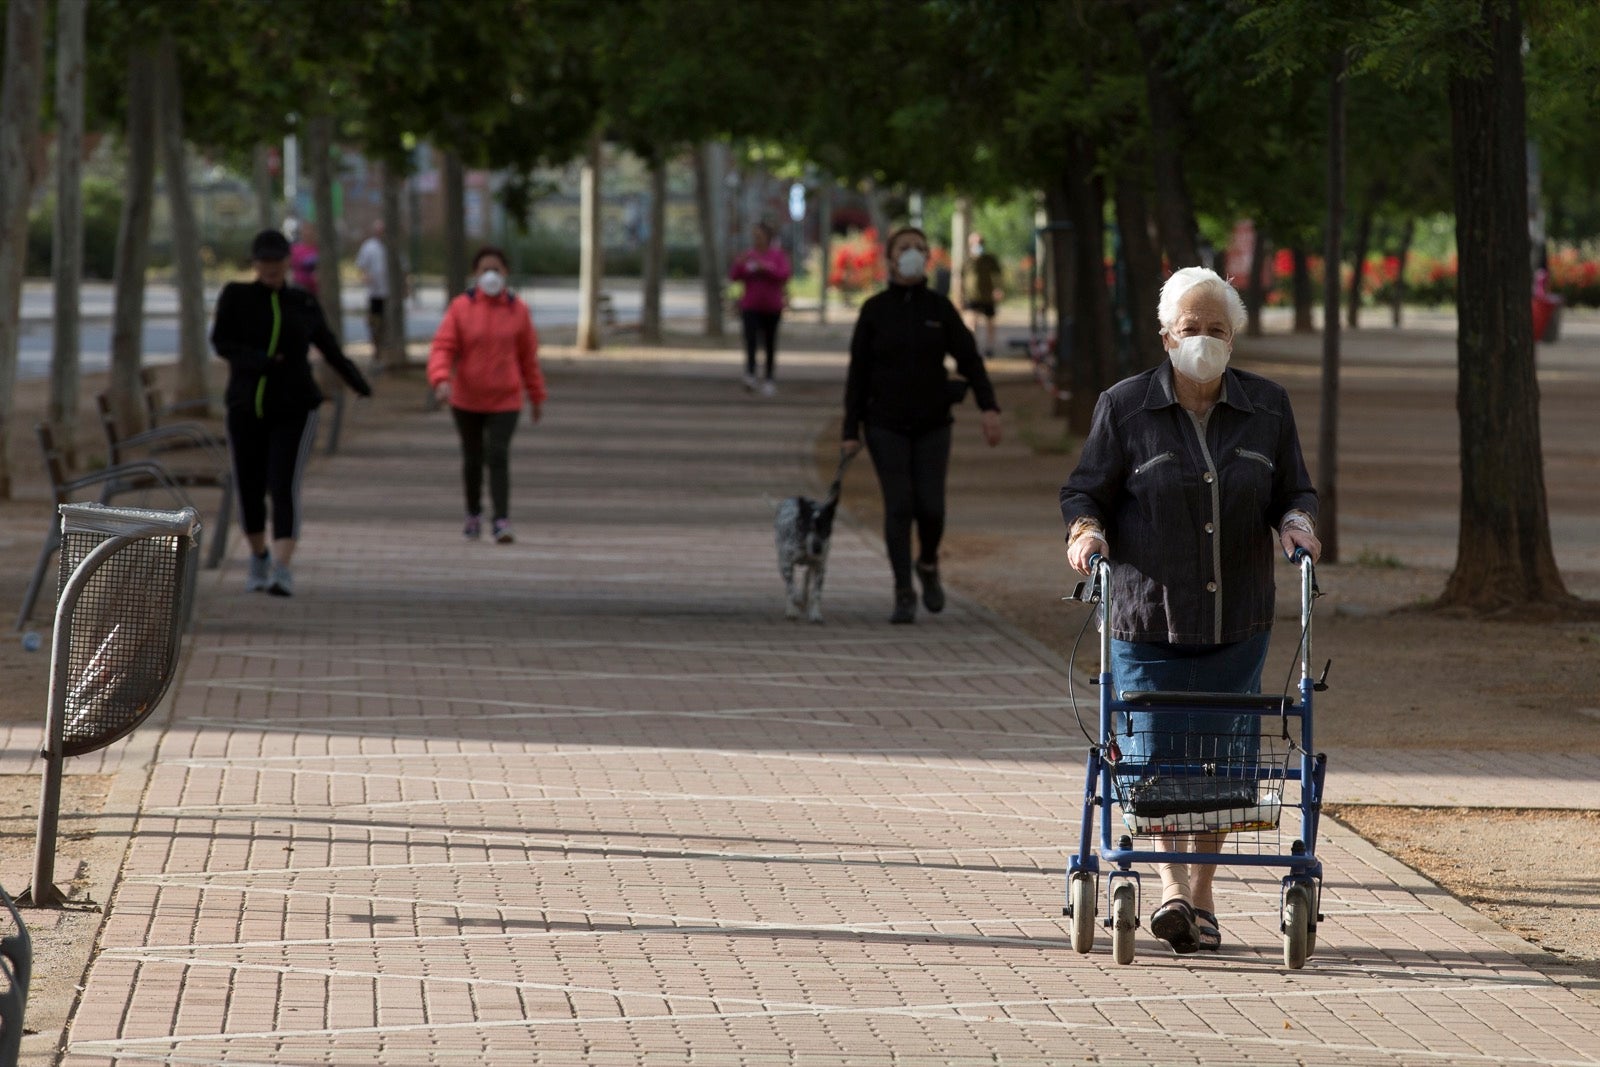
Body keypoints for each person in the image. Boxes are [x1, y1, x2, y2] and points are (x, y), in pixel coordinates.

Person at [1059, 265, 1321, 954]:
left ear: (1234, 337)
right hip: (1147, 619)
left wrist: (1296, 523)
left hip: (1238, 620)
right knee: (1156, 760)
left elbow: (1296, 488)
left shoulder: (1268, 405)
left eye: (1217, 329)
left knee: (1220, 764)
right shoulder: (1123, 407)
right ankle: (1176, 890)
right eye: (1190, 328)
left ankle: (1198, 898)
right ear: (1165, 335)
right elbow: (1085, 491)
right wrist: (1086, 533)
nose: (1203, 339)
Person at [842, 226, 1003, 624]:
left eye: (919, 248)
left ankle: (927, 564)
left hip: (933, 422)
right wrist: (849, 431)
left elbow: (969, 359)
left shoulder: (939, 309)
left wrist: (989, 407)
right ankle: (902, 591)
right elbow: (857, 375)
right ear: (891, 258)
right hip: (884, 423)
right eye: (904, 248)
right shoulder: (875, 311)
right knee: (899, 505)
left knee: (930, 507)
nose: (913, 254)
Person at [211, 229, 373, 597]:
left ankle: (282, 568)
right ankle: (258, 556)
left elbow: (329, 347)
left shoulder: (303, 302)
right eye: (264, 261)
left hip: (295, 406)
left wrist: (357, 383)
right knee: (249, 487)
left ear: (287, 262)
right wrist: (259, 363)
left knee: (282, 484)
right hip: (245, 405)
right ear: (254, 263)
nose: (271, 268)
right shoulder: (237, 297)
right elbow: (221, 342)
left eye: (278, 261)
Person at [427, 246, 546, 544]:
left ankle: (501, 520)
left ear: (505, 273)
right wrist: (441, 379)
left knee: (498, 455)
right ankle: (473, 514)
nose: (490, 275)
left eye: (496, 269)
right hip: (466, 399)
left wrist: (536, 394)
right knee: (473, 457)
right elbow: (443, 347)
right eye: (484, 270)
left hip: (505, 399)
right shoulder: (460, 308)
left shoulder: (518, 310)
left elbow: (528, 357)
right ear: (476, 274)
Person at [728, 222, 792, 396]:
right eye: (754, 236)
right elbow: (734, 276)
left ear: (767, 238)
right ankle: (750, 374)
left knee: (770, 343)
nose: (756, 240)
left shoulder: (777, 256)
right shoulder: (748, 255)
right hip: (750, 306)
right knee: (750, 341)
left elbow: (784, 275)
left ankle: (769, 378)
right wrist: (739, 264)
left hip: (772, 306)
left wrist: (766, 269)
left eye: (759, 236)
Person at [962, 231, 1004, 358]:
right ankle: (971, 347)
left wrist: (998, 289)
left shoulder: (989, 259)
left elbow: (998, 275)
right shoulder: (967, 260)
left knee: (990, 321)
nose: (977, 245)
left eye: (980, 242)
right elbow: (960, 278)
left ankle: (989, 347)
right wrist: (959, 295)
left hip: (987, 296)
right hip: (971, 296)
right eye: (974, 242)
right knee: (971, 322)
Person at [355, 221, 389, 371]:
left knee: (386, 325)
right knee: (374, 323)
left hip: (389, 295)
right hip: (375, 293)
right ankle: (376, 354)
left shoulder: (391, 247)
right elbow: (361, 266)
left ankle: (386, 353)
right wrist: (366, 277)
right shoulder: (369, 247)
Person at [290, 221, 320, 296]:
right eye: (305, 229)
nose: (308, 232)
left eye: (310, 229)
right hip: (299, 289)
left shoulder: (321, 249)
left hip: (317, 291)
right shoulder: (294, 250)